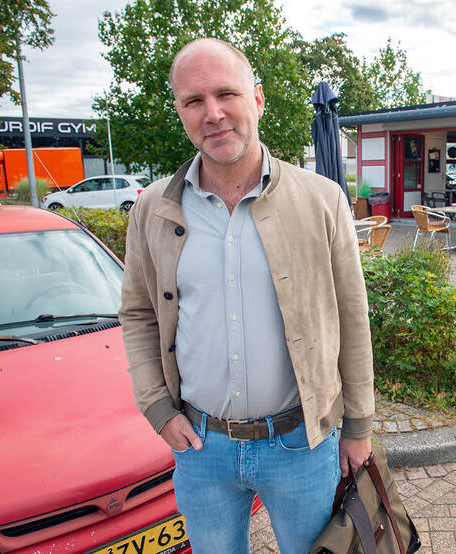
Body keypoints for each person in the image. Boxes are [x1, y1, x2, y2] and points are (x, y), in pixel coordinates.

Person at [118, 37, 375, 553]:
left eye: (225, 94)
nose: (212, 114)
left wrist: (359, 426)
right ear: (180, 111)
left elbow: (352, 315)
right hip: (200, 447)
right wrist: (155, 407)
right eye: (193, 101)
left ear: (256, 99)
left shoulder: (322, 200)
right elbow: (139, 313)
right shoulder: (153, 209)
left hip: (301, 443)